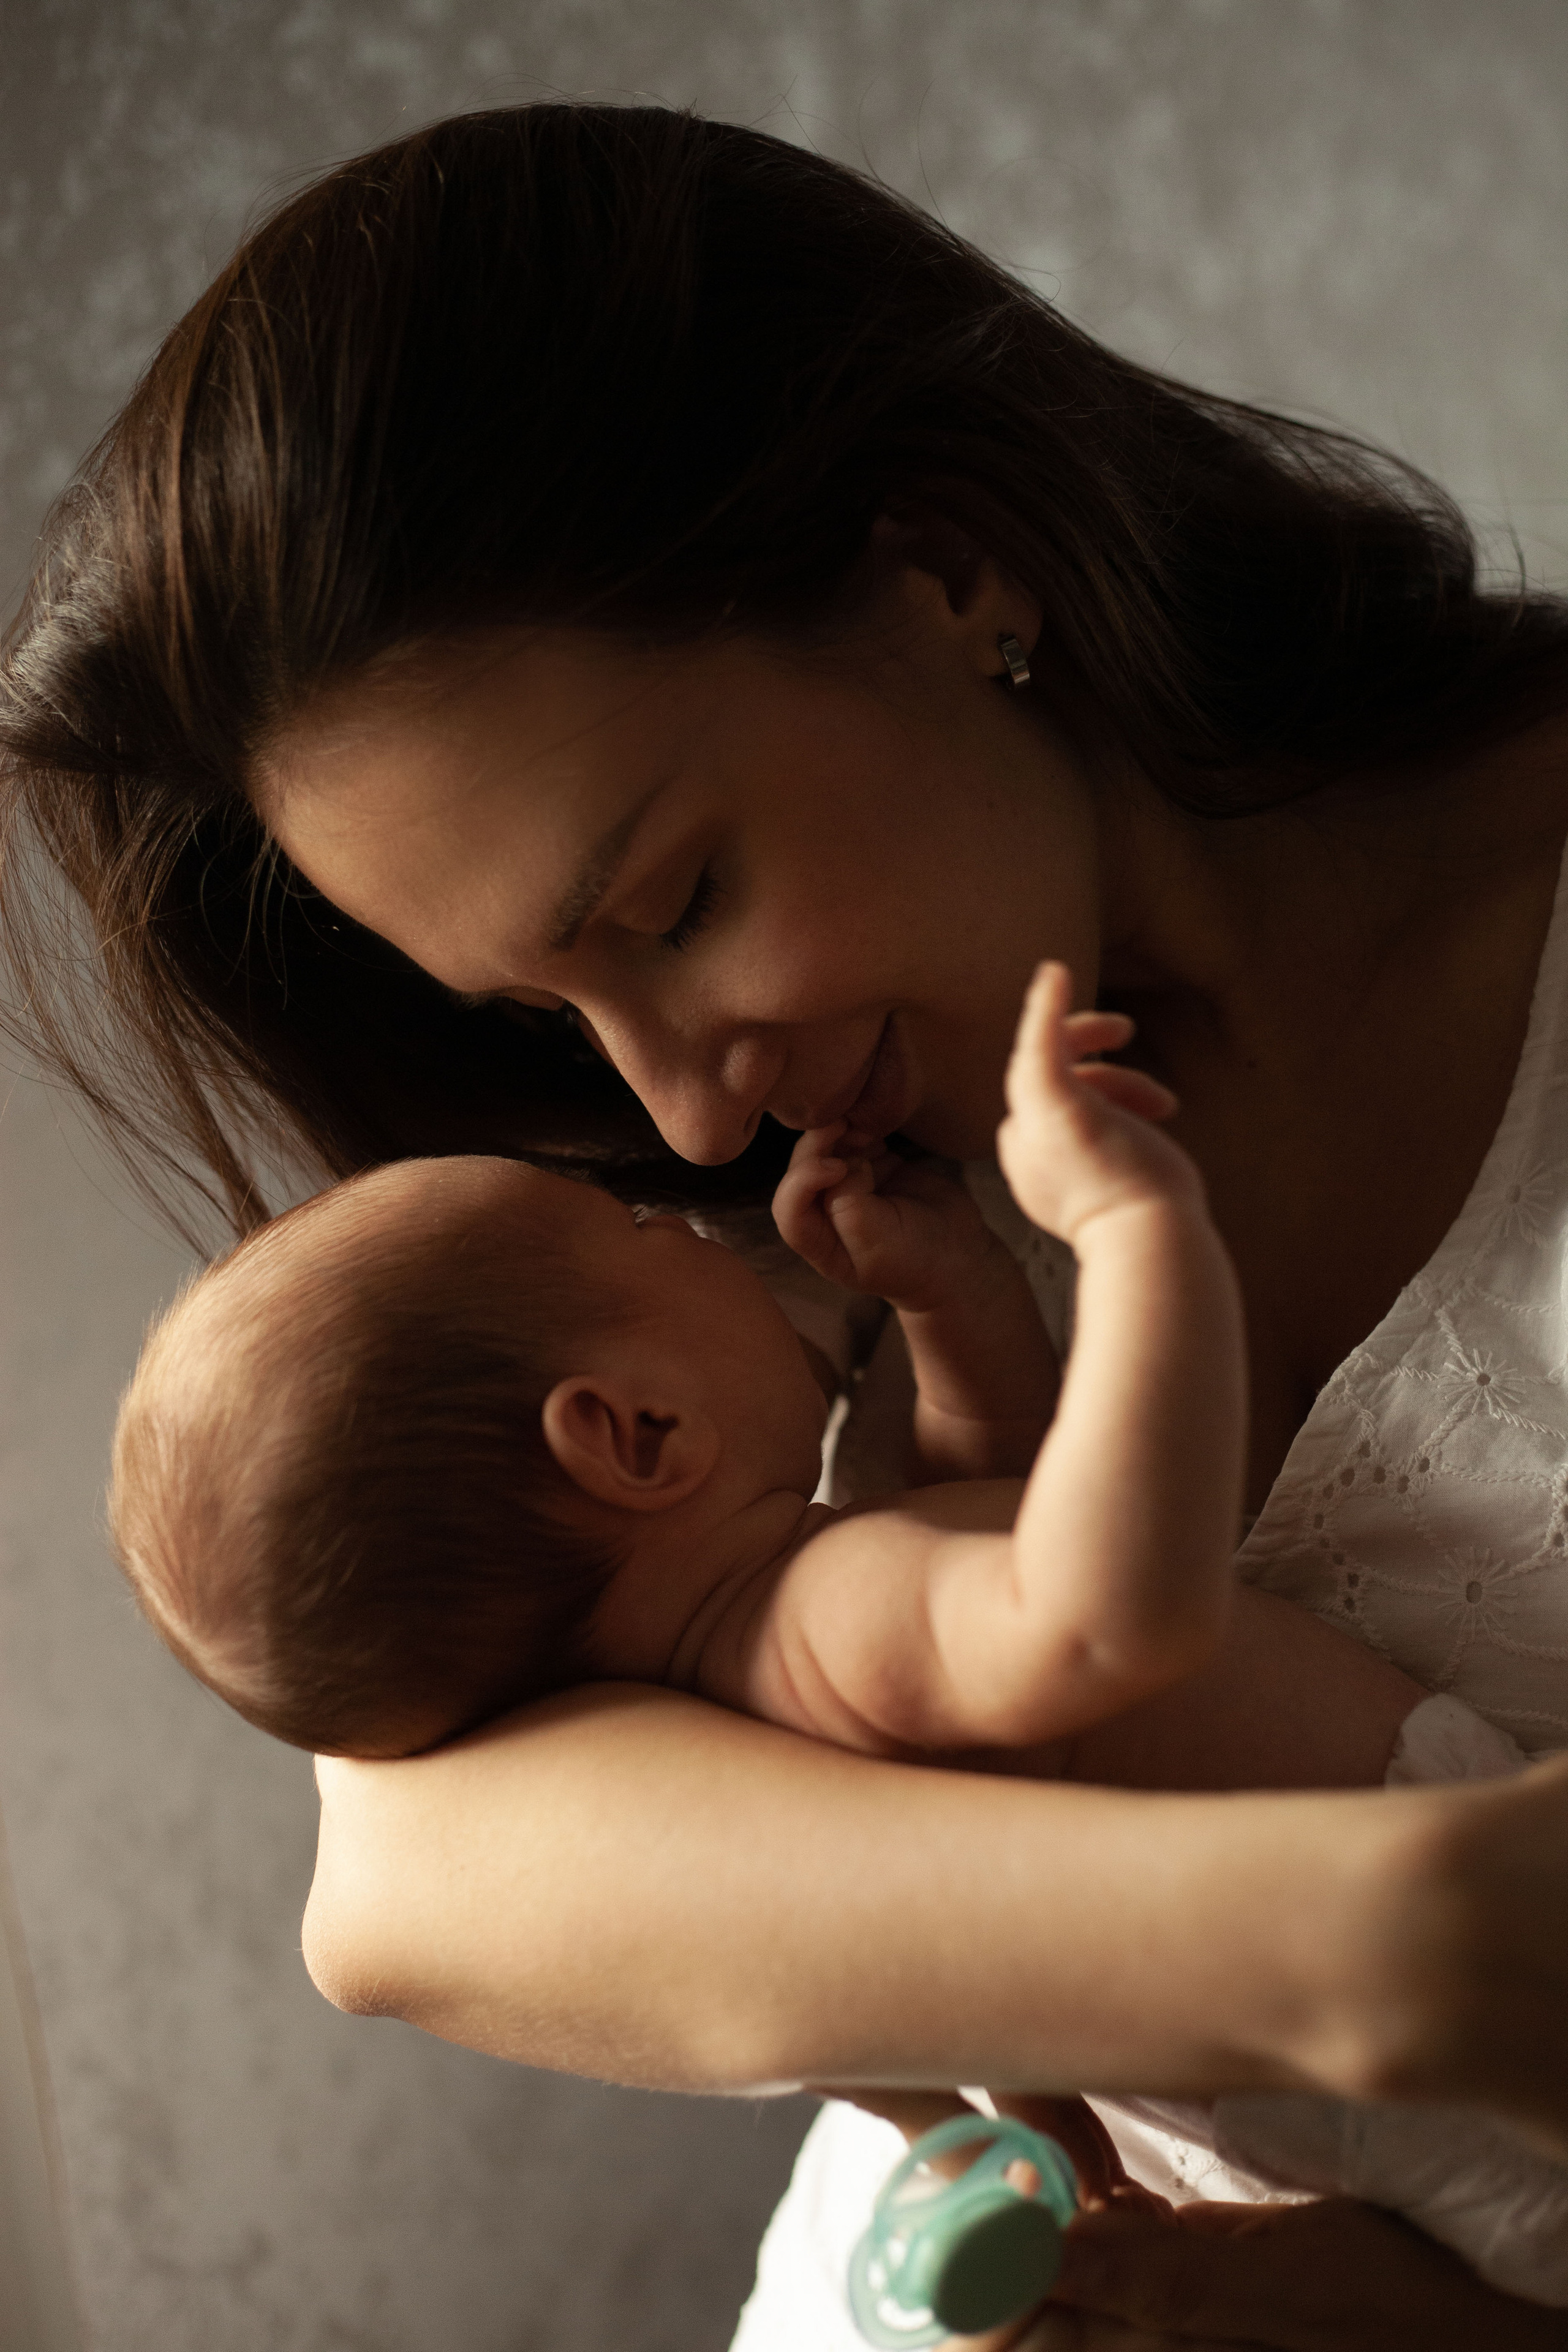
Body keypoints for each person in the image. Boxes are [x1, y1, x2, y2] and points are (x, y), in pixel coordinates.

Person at [6, 100, 1568, 2348]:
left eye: (672, 905)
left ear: (949, 569)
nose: (672, 1107)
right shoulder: (822, 1206)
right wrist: (1394, 1948)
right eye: (552, 1010)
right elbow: (406, 1881)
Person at [108, 957, 1566, 2304]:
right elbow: (1102, 1614)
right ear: (634, 1432)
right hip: (1477, 2057)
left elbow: (995, 1486)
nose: (687, 1220)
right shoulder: (836, 1622)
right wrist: (1132, 1233)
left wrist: (951, 1298)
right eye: (635, 1232)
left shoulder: (785, 1650)